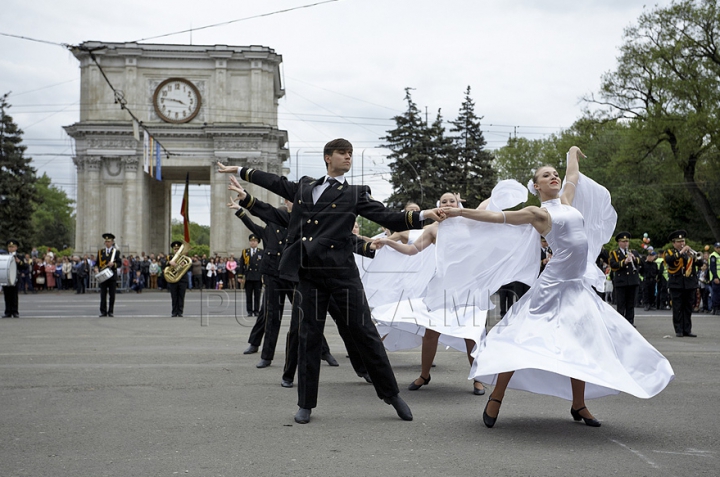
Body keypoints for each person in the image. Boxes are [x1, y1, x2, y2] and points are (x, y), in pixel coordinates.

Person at [441, 146, 674, 428]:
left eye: (554, 174)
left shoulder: (566, 200)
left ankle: (579, 404)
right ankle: (496, 397)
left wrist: (572, 153)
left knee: (583, 341)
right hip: (552, 287)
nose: (554, 177)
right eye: (546, 175)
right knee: (520, 337)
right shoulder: (537, 213)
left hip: (576, 287)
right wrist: (458, 213)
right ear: (536, 186)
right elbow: (495, 218)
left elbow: (572, 174)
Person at [216, 138, 443, 424]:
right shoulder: (304, 188)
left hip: (342, 276)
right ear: (328, 157)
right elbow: (274, 182)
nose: (348, 157)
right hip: (309, 275)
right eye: (342, 153)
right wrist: (241, 170)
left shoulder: (355, 194)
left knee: (366, 334)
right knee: (308, 337)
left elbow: (388, 216)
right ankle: (305, 404)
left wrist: (423, 215)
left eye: (350, 153)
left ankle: (391, 394)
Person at [373, 192, 486, 396]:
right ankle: (424, 375)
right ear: (438, 206)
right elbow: (411, 250)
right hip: (441, 286)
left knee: (471, 333)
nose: (448, 203)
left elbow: (489, 205)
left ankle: (478, 378)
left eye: (452, 200)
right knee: (431, 332)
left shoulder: (470, 223)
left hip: (468, 286)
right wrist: (388, 242)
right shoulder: (433, 229)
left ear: (458, 203)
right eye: (444, 201)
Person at [664, 230, 700, 337]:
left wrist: (693, 256)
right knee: (677, 308)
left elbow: (700, 263)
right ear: (674, 243)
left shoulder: (688, 254)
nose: (681, 243)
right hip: (677, 284)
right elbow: (670, 260)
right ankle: (678, 329)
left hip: (689, 284)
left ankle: (687, 329)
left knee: (688, 307)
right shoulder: (670, 252)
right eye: (679, 242)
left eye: (683, 241)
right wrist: (681, 252)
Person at [609, 232, 641, 325]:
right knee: (621, 304)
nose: (626, 243)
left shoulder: (633, 252)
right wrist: (624, 262)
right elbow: (613, 265)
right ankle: (621, 324)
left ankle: (630, 322)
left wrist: (634, 259)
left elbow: (640, 262)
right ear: (619, 242)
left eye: (627, 241)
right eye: (623, 241)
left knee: (630, 304)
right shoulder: (615, 253)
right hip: (621, 282)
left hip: (632, 281)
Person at [97, 233, 121, 317]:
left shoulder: (116, 252)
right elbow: (97, 263)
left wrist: (113, 264)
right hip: (103, 275)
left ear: (112, 242)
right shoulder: (100, 252)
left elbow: (119, 263)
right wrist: (96, 268)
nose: (107, 243)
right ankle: (103, 311)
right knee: (103, 295)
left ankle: (110, 311)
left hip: (112, 275)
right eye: (106, 241)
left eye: (109, 241)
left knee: (112, 295)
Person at [238, 234, 263, 317]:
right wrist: (240, 276)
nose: (253, 243)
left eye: (255, 241)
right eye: (251, 241)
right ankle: (249, 311)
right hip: (248, 277)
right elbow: (241, 265)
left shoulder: (261, 252)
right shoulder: (245, 252)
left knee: (257, 295)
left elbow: (263, 265)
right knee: (248, 295)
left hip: (258, 277)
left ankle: (256, 310)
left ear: (258, 242)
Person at [167, 240, 190, 317]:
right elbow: (164, 266)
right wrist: (169, 263)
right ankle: (174, 312)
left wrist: (182, 265)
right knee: (174, 296)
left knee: (181, 296)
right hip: (173, 280)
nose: (176, 250)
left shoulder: (185, 258)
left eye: (178, 249)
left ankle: (180, 312)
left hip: (182, 280)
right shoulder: (169, 257)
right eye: (175, 249)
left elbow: (190, 268)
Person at [2, 239, 22, 318]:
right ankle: (8, 312)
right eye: (9, 247)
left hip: (15, 278)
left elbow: (25, 266)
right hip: (6, 277)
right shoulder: (4, 255)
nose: (11, 248)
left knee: (14, 295)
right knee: (7, 295)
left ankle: (15, 311)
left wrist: (19, 262)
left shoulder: (19, 256)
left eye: (12, 247)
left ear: (16, 247)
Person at [709, 242, 720, 314]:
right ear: (715, 248)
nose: (719, 249)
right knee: (716, 294)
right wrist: (715, 277)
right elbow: (713, 268)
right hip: (716, 278)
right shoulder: (713, 256)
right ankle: (716, 309)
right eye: (718, 248)